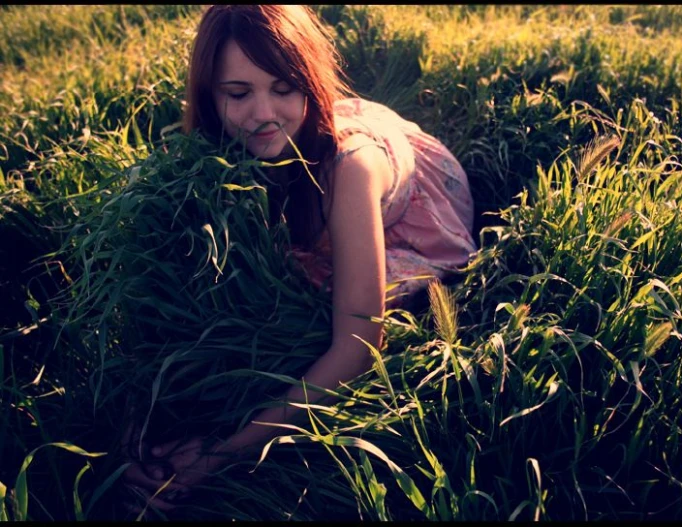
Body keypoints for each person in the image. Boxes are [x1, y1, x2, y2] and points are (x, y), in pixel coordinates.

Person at [121, 4, 476, 513]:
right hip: (318, 155)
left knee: (310, 300)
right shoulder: (206, 160)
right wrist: (135, 429)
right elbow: (164, 302)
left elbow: (357, 346)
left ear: (309, 83)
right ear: (208, 95)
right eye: (238, 93)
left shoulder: (350, 168)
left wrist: (220, 456)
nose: (263, 113)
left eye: (283, 87)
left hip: (414, 192)